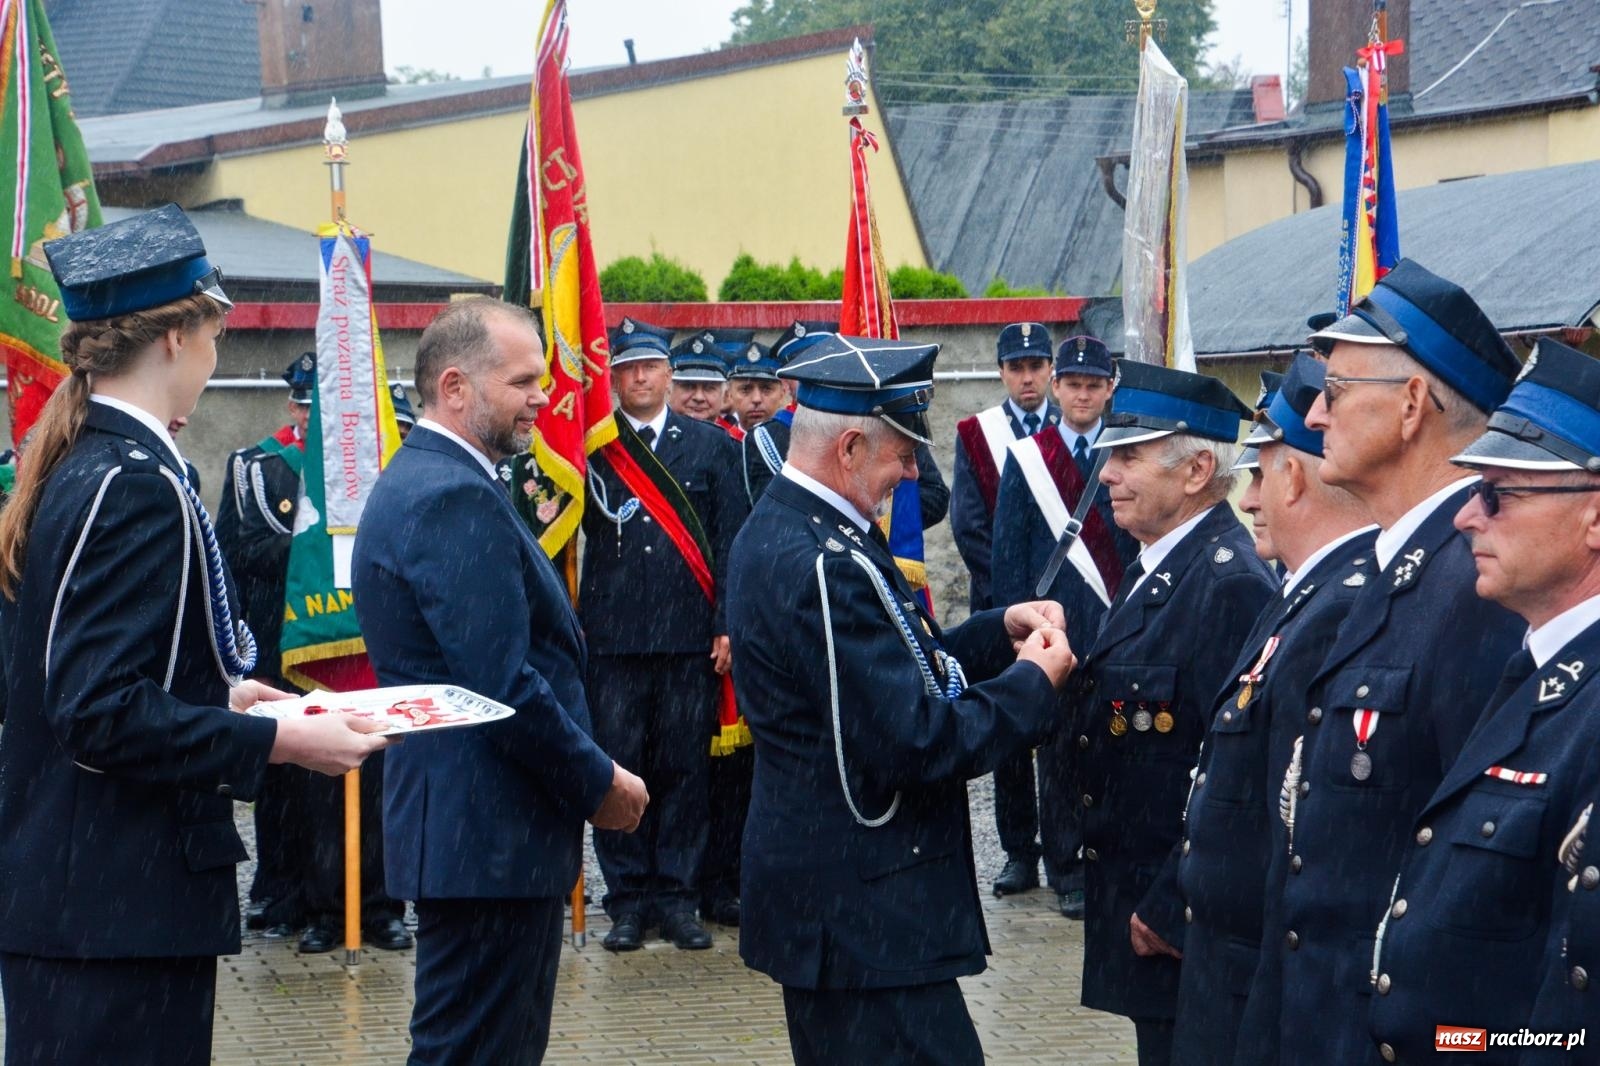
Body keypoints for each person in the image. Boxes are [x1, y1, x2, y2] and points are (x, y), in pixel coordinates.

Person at [0, 203, 387, 1066]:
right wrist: (271, 738)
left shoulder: (93, 461)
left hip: (94, 905)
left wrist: (216, 690)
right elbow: (96, 710)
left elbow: (92, 671)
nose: (215, 353)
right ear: (177, 338)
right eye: (216, 332)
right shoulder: (134, 483)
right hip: (114, 910)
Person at [727, 332, 1077, 1065]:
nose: (913, 472)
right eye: (903, 453)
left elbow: (899, 662)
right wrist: (1030, 686)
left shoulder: (814, 530)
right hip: (861, 914)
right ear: (850, 447)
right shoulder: (820, 560)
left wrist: (993, 632)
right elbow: (917, 739)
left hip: (850, 909)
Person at [352, 298, 648, 1066]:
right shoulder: (451, 494)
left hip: (477, 831)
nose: (543, 398)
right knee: (476, 1051)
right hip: (485, 831)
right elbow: (501, 682)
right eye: (522, 382)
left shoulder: (440, 479)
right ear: (456, 387)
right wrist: (598, 783)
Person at [1255, 260, 1525, 1066]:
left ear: (1411, 405)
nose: (1312, 410)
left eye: (1335, 391)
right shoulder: (1399, 567)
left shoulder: (1476, 583)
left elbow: (1479, 890)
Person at [1365, 338, 1600, 1064]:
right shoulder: (1536, 667)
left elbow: (1573, 1017)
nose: (1467, 516)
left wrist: (1462, 1042)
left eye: (1499, 492)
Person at [1066, 359, 1277, 1066]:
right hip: (1142, 910)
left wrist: (1170, 905)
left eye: (1128, 457)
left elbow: (1238, 774)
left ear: (1195, 473)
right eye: (1109, 456)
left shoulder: (1227, 584)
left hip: (1179, 923)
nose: (1109, 475)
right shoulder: (1158, 562)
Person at [1169, 355, 1376, 1066]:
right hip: (1226, 964)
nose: (1248, 500)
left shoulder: (1336, 610)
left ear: (1294, 477)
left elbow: (1297, 837)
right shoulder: (1302, 597)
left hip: (1252, 976)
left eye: (1258, 476)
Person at [581, 317, 748, 952]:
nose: (640, 377)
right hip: (613, 639)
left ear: (668, 374)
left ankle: (678, 898)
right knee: (621, 769)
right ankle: (627, 899)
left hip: (687, 640)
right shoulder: (592, 447)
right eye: (626, 368)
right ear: (613, 377)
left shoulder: (711, 447)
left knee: (684, 772)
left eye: (650, 366)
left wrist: (726, 621)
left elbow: (732, 540)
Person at [988, 333, 1134, 914]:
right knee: (1057, 750)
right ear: (1056, 386)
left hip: (1113, 617)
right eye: (1072, 384)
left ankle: (1110, 857)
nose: (1082, 394)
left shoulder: (1125, 450)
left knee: (1112, 745)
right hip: (1054, 623)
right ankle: (1067, 868)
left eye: (1093, 384)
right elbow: (1010, 550)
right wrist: (1018, 626)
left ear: (1108, 389)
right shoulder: (1029, 457)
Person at [668, 334, 737, 436]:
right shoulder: (651, 437)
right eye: (688, 386)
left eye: (709, 388)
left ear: (725, 396)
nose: (699, 397)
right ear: (669, 391)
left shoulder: (736, 446)